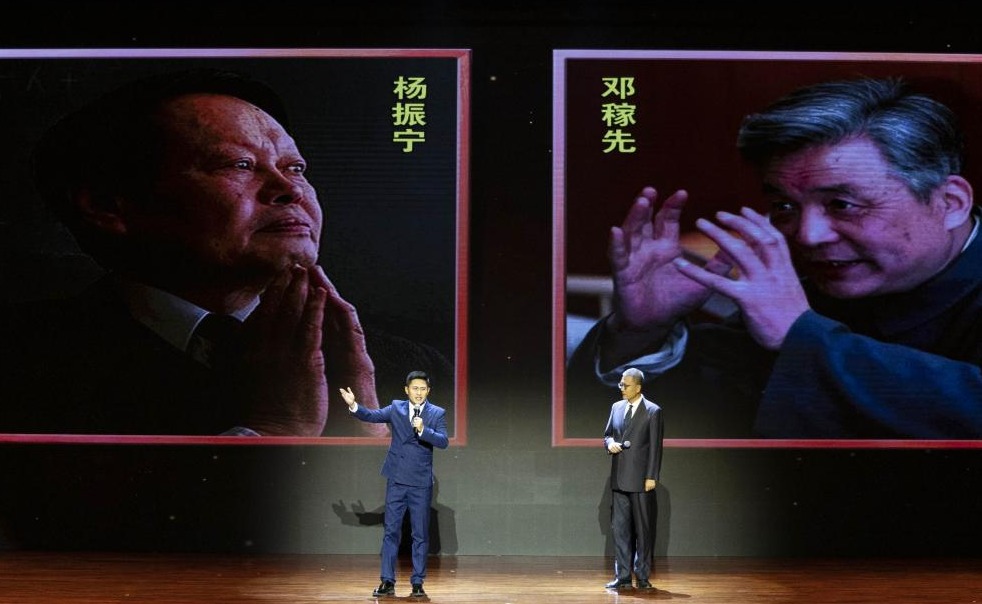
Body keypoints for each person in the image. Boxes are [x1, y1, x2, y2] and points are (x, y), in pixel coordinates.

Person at [0, 67, 453, 437]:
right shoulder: (22, 362)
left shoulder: (410, 368)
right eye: (239, 165)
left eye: (295, 167)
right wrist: (276, 433)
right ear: (108, 207)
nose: (290, 189)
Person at [569, 77, 982, 439]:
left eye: (842, 204)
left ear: (950, 202)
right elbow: (628, 435)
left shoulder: (798, 320)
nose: (807, 235)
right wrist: (640, 331)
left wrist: (801, 337)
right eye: (784, 207)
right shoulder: (808, 295)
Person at [341, 371, 449, 598]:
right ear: (406, 390)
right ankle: (387, 581)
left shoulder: (437, 412)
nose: (418, 393)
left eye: (422, 389)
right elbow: (371, 416)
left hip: (420, 483)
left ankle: (417, 582)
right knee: (391, 531)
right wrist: (353, 405)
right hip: (397, 480)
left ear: (428, 391)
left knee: (420, 535)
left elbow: (443, 441)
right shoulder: (396, 408)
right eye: (414, 388)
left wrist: (423, 430)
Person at [603, 367, 663, 591]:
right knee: (620, 531)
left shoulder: (653, 411)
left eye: (626, 385)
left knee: (643, 532)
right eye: (621, 384)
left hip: (640, 481)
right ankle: (623, 577)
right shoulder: (616, 407)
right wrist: (610, 443)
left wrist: (651, 476)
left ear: (638, 387)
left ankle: (643, 576)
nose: (622, 388)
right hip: (619, 479)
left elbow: (655, 447)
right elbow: (608, 434)